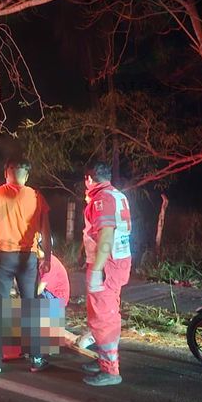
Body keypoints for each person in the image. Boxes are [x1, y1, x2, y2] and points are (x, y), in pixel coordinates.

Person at [0, 158, 52, 373]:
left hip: (3, 257)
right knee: (30, 306)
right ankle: (35, 357)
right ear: (27, 175)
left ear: (6, 172)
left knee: (1, 307)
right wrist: (48, 257)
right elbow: (46, 232)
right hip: (29, 257)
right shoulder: (36, 196)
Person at [81, 161, 132, 386]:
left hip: (107, 265)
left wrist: (97, 270)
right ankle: (104, 361)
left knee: (104, 318)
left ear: (90, 179)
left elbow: (106, 235)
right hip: (118, 262)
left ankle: (111, 371)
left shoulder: (101, 199)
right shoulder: (116, 195)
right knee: (107, 312)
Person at [36, 237, 70, 308]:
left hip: (58, 300)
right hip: (50, 293)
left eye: (36, 248)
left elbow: (40, 288)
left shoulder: (50, 263)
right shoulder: (42, 261)